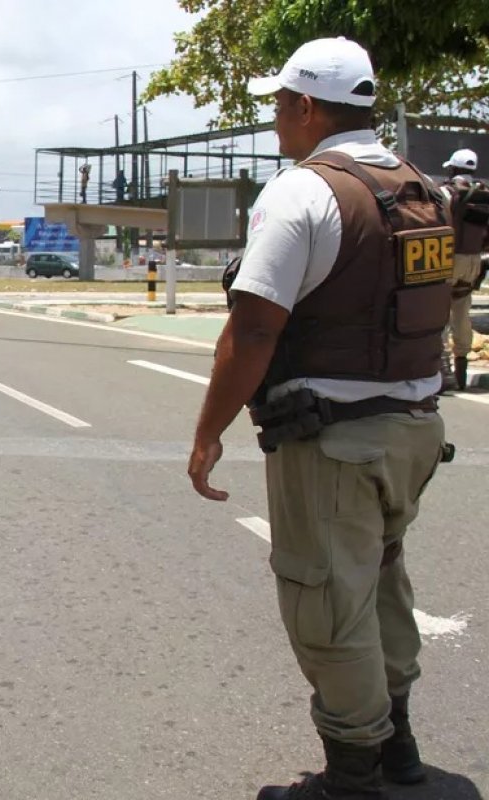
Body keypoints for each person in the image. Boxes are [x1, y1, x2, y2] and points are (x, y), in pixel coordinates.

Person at [188, 38, 451, 799]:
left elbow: (256, 329)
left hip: (335, 442)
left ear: (307, 107)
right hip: (413, 430)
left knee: (326, 601)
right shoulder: (418, 186)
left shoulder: (302, 192)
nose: (274, 119)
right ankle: (397, 746)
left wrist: (209, 431)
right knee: (381, 584)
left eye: (278, 105)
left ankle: (351, 776)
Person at [439, 148, 489, 390]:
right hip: (474, 260)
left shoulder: (446, 193)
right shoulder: (483, 192)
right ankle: (461, 370)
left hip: (449, 258)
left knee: (439, 311)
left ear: (453, 168)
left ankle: (444, 370)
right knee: (462, 311)